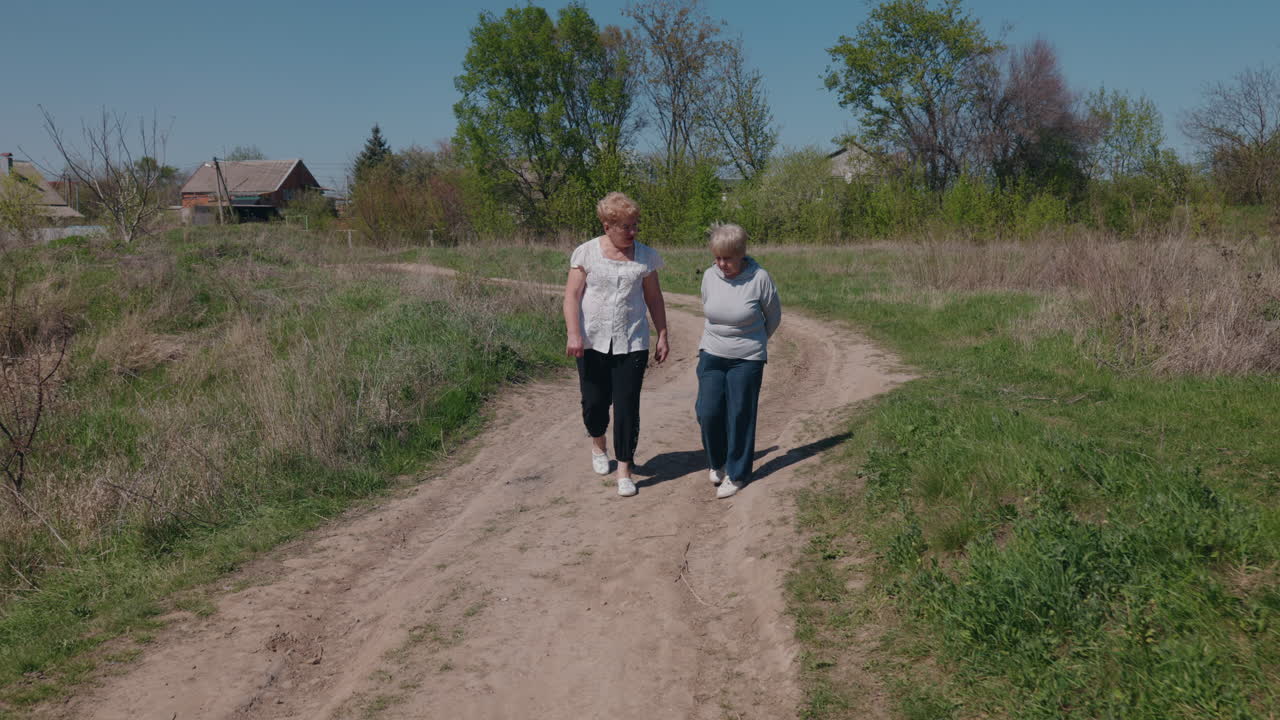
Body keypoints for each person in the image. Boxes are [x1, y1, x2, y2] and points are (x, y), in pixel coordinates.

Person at [564, 192, 669, 497]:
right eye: (626, 226)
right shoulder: (586, 253)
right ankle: (598, 444)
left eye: (635, 225)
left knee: (626, 406)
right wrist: (574, 333)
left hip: (633, 340)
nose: (633, 232)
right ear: (607, 225)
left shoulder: (646, 257)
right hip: (592, 340)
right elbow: (571, 296)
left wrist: (662, 333)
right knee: (594, 402)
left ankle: (624, 468)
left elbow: (654, 298)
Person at [696, 223, 781, 499]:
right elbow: (708, 308)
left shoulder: (760, 278)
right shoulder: (710, 276)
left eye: (727, 258)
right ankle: (717, 460)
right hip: (711, 352)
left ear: (741, 253)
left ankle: (738, 473)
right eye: (717, 258)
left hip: (747, 358)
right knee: (707, 411)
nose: (721, 264)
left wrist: (754, 343)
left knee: (740, 414)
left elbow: (773, 316)